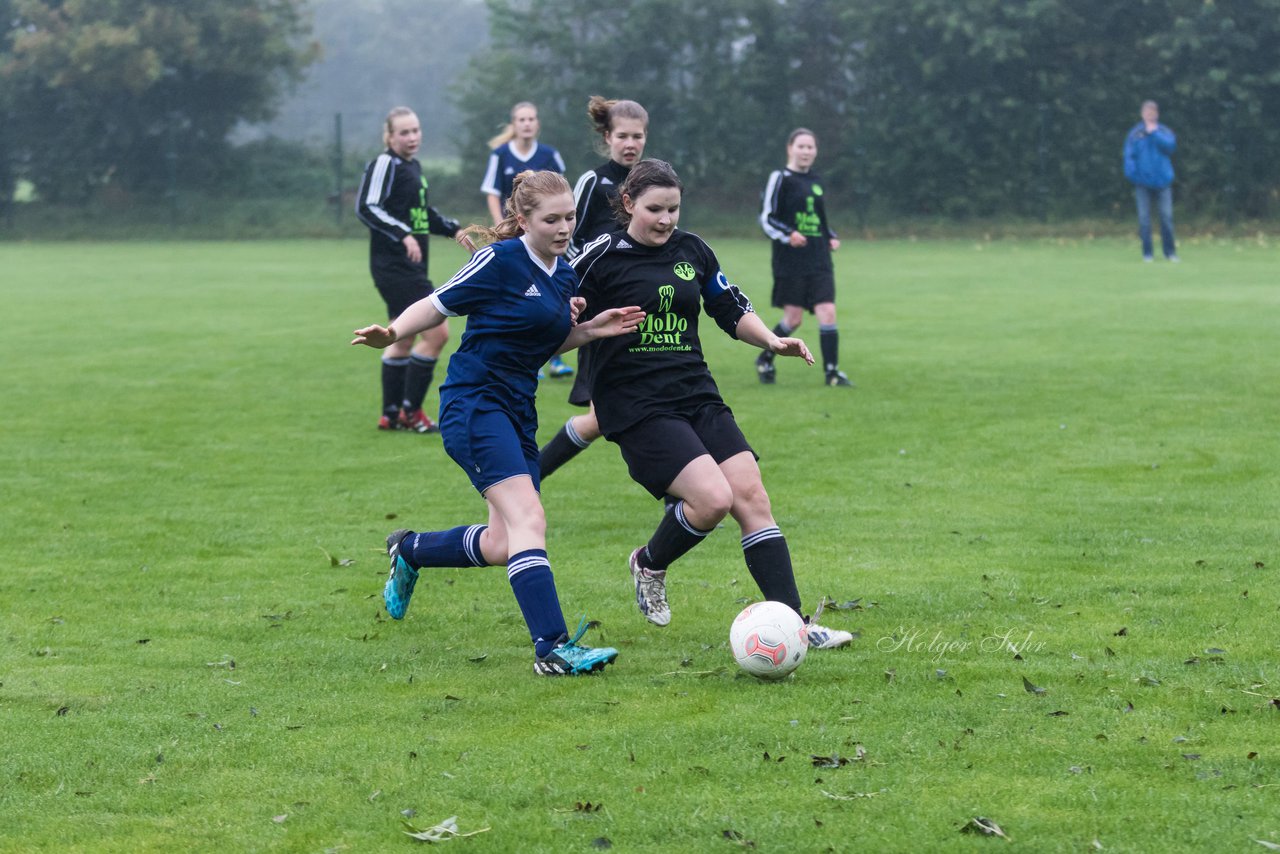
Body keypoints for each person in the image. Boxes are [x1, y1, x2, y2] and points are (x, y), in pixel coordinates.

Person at [351, 170, 646, 675]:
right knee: (530, 520)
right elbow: (436, 303)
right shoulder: (500, 260)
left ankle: (411, 550)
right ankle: (552, 649)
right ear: (523, 220)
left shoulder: (564, 273)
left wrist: (590, 330)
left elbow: (542, 342)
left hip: (517, 411)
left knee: (503, 543)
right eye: (551, 219)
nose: (564, 228)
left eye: (570, 217)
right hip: (474, 405)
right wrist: (393, 331)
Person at [572, 158, 854, 650]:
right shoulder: (599, 256)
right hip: (635, 402)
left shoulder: (692, 249)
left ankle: (797, 626)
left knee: (752, 498)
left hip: (695, 391)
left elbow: (730, 308)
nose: (665, 219)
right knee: (713, 500)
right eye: (654, 209)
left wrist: (771, 341)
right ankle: (649, 562)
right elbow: (552, 309)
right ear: (627, 204)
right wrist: (574, 318)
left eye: (673, 209)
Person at [539, 96, 650, 479]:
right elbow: (567, 239)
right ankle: (529, 474)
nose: (630, 143)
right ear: (607, 137)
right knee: (611, 413)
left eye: (638, 136)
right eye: (623, 135)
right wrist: (574, 287)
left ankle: (529, 474)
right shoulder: (593, 180)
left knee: (625, 408)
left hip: (638, 308)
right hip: (599, 309)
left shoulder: (648, 183)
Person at [355, 106, 462, 433]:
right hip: (395, 266)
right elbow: (367, 207)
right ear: (389, 137)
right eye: (404, 132)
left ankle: (390, 413)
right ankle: (411, 411)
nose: (412, 137)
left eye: (416, 130)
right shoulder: (385, 163)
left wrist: (452, 228)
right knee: (437, 332)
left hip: (408, 266)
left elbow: (421, 213)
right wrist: (402, 235)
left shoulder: (412, 166)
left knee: (400, 338)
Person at [480, 101, 575, 379]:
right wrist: (500, 222)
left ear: (537, 124)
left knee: (554, 292)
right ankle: (524, 351)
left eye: (531, 118)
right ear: (514, 123)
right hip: (515, 233)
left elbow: (562, 192)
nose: (527, 123)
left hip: (545, 235)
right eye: (521, 119)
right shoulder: (500, 155)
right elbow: (491, 191)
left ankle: (554, 358)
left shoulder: (549, 155)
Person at [756, 128, 853, 387]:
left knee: (828, 312)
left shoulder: (816, 180)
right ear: (790, 148)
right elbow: (767, 218)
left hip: (819, 259)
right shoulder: (781, 178)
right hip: (791, 261)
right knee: (794, 319)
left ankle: (832, 373)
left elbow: (820, 220)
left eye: (811, 147)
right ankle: (765, 358)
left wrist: (830, 235)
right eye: (801, 146)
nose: (806, 151)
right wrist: (789, 235)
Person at [1123, 100, 1179, 262]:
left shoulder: (1164, 131)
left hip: (1163, 182)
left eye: (1152, 112)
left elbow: (1170, 147)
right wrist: (1133, 176)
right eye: (1147, 112)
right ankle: (1147, 253)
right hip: (1142, 183)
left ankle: (1170, 253)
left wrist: (1154, 133)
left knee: (1166, 218)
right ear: (1142, 114)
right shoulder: (1135, 134)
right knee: (1144, 220)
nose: (1149, 115)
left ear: (1157, 114)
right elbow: (1129, 157)